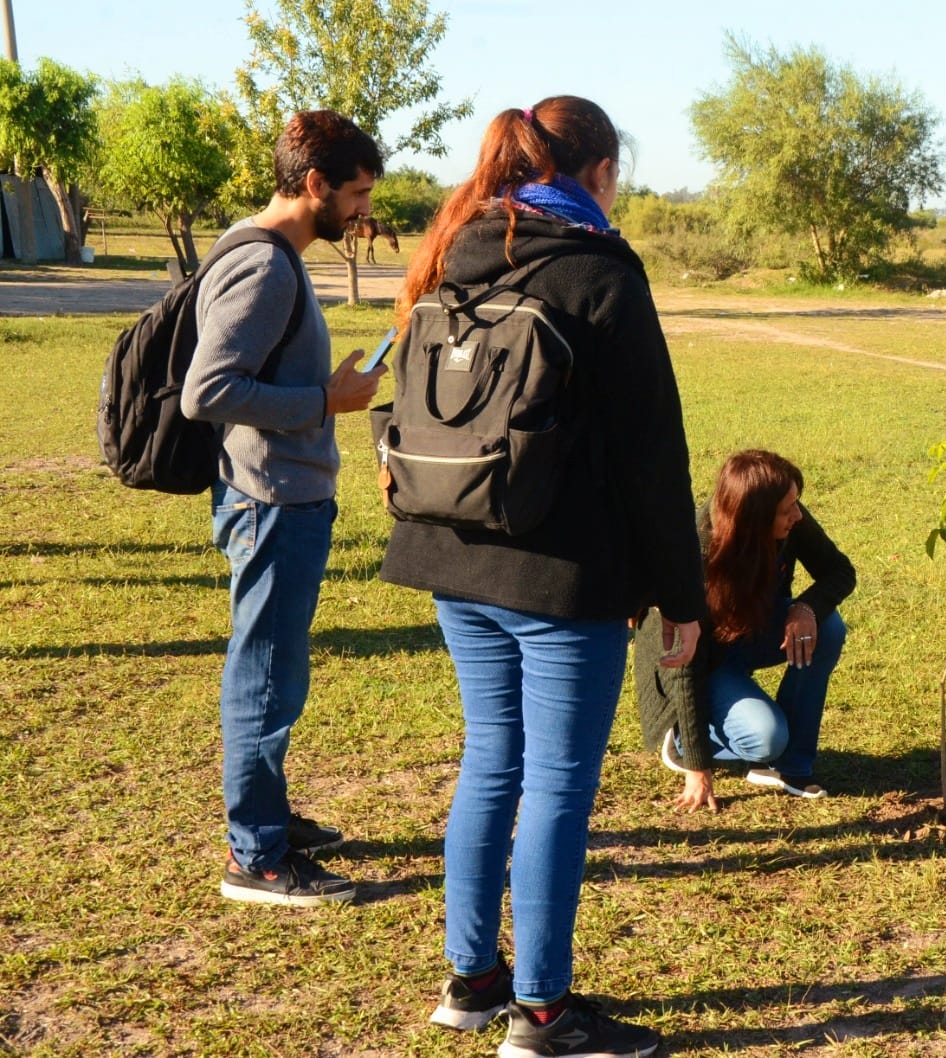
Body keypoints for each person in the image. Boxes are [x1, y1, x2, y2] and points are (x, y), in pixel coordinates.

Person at [378, 98, 704, 1058]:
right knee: (558, 784)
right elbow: (654, 454)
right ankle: (545, 1014)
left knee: (491, 761)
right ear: (600, 171)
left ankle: (473, 982)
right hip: (562, 577)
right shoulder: (598, 270)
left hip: (451, 552)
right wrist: (680, 600)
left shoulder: (447, 249)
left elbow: (395, 410)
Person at [182, 109, 385, 908]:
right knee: (263, 674)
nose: (364, 211)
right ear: (314, 185)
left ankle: (267, 815)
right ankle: (256, 857)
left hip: (280, 492)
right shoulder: (265, 264)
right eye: (357, 194)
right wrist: (324, 399)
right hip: (271, 499)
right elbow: (209, 390)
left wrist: (319, 392)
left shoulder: (271, 255)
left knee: (275, 669)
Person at [637, 450, 855, 810]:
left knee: (826, 625)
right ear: (754, 516)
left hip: (748, 630)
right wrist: (697, 765)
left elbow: (839, 571)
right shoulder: (698, 549)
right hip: (697, 660)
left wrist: (805, 607)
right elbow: (686, 666)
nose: (797, 515)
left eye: (796, 503)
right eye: (787, 510)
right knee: (766, 737)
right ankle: (682, 741)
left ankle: (792, 766)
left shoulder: (790, 518)